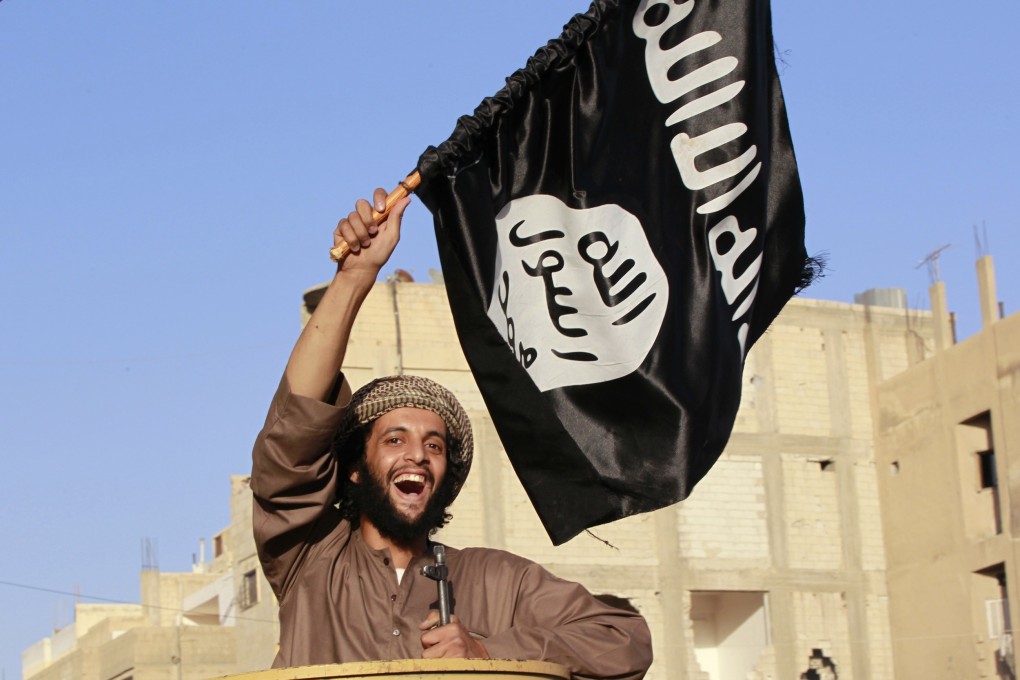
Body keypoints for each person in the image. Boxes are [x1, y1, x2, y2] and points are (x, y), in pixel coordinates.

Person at [250, 189, 653, 679]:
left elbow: (624, 641)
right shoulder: (312, 561)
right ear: (355, 469)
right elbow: (292, 435)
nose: (417, 455)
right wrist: (355, 277)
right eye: (394, 439)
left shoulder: (494, 580)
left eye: (434, 445)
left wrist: (490, 650)